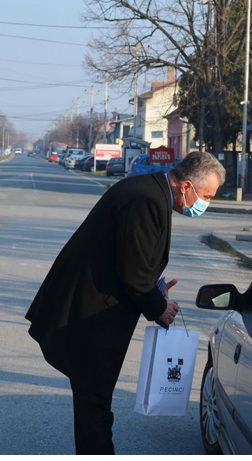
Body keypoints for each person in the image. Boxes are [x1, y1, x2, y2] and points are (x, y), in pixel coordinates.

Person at [26, 151, 225, 454]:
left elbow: (132, 259)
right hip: (88, 314)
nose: (206, 203)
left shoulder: (150, 191)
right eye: (207, 195)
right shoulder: (146, 199)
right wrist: (159, 307)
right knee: (95, 405)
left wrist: (156, 287)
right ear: (186, 186)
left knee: (93, 403)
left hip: (93, 310)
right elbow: (133, 272)